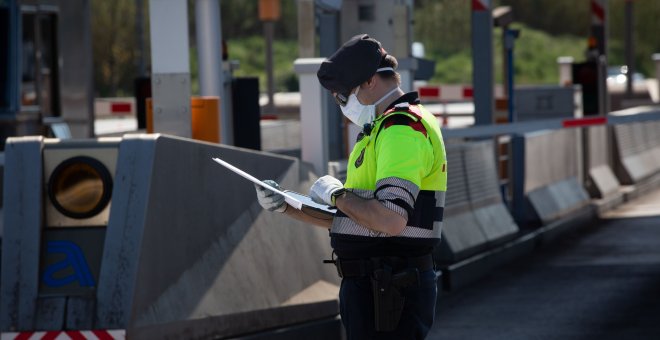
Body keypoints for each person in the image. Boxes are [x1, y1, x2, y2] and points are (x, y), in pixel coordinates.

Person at [254, 34, 447, 339]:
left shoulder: (401, 131)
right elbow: (357, 218)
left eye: (344, 94)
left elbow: (389, 219)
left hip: (389, 286)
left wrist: (338, 194)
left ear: (370, 81)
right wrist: (286, 206)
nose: (342, 103)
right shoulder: (380, 129)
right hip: (377, 284)